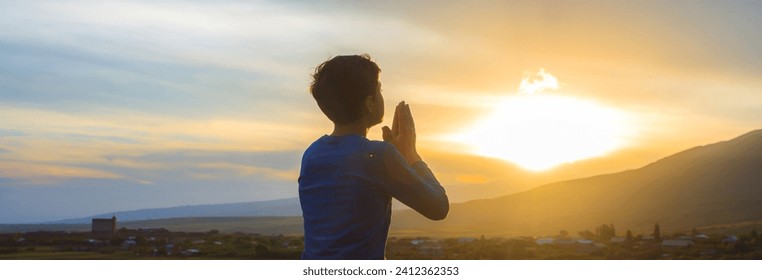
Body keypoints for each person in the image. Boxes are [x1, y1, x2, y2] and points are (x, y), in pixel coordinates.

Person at [298, 54, 449, 260]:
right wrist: (411, 155)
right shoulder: (376, 156)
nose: (381, 95)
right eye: (379, 90)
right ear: (370, 103)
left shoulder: (312, 154)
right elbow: (438, 207)